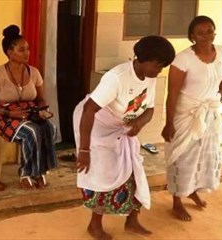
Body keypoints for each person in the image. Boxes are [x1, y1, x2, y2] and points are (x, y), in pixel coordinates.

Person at [73, 35, 175, 240]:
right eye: (157, 65)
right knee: (102, 173)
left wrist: (139, 123)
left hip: (120, 127)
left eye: (163, 66)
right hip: (95, 125)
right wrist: (84, 150)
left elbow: (150, 108)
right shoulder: (117, 77)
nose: (159, 70)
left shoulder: (150, 77)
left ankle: (132, 221)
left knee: (133, 169)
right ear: (143, 58)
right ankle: (94, 225)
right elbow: (89, 109)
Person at [161, 16, 222, 222]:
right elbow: (172, 93)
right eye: (200, 33)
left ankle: (192, 190)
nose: (205, 36)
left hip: (209, 112)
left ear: (214, 32)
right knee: (181, 156)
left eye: (209, 31)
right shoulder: (183, 59)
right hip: (186, 114)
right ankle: (176, 202)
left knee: (204, 155)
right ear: (192, 36)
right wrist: (168, 122)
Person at [0, 25, 57, 190]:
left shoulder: (34, 72)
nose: (27, 53)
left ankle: (40, 171)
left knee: (49, 128)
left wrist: (42, 109)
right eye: (22, 50)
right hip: (6, 117)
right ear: (10, 53)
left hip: (30, 113)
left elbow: (40, 98)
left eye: (28, 49)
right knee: (31, 131)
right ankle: (26, 173)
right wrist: (8, 112)